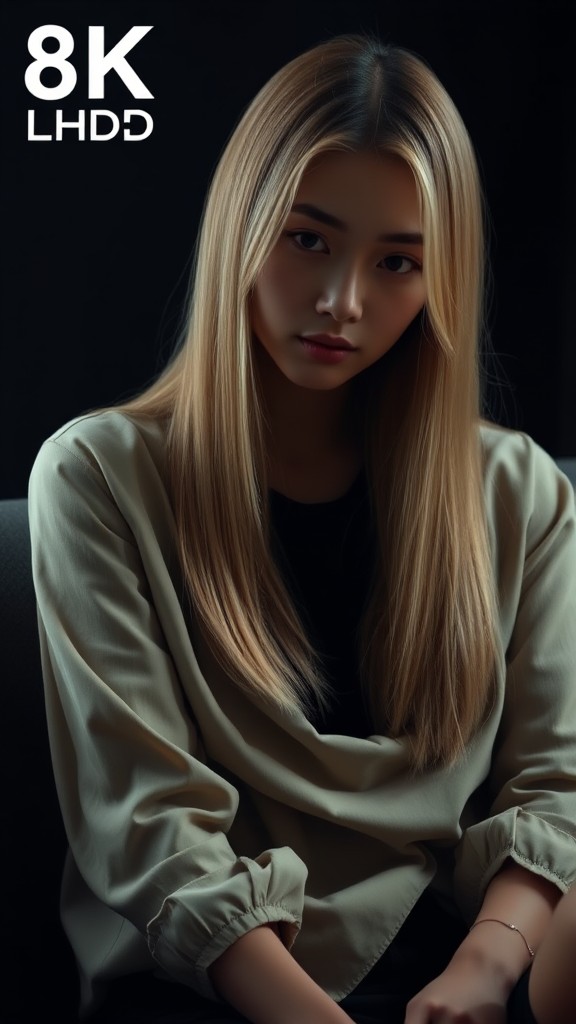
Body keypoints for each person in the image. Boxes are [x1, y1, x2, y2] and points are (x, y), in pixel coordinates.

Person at [28, 32, 576, 1024]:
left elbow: (555, 780)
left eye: (400, 262)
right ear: (241, 222)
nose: (342, 303)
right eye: (307, 238)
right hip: (212, 975)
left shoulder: (518, 492)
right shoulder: (100, 476)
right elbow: (154, 830)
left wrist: (487, 971)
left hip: (471, 959)